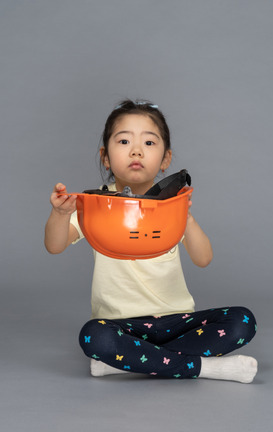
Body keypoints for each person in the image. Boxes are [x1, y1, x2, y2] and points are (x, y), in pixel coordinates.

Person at [44, 99, 257, 383]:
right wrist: (59, 215)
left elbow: (203, 259)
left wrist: (186, 219)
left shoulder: (171, 204)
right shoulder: (96, 205)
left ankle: (127, 363)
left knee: (243, 321)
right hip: (121, 325)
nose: (136, 150)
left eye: (149, 143)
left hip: (177, 321)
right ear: (105, 156)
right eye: (123, 141)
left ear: (165, 159)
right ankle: (205, 368)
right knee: (93, 337)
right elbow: (55, 245)